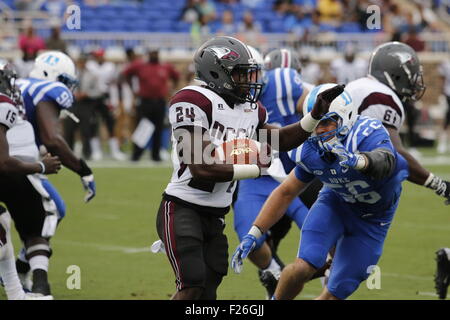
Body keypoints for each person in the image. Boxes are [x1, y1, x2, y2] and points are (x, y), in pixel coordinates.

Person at [155, 35, 344, 300]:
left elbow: (280, 140)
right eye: (241, 74)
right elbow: (201, 166)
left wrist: (313, 117)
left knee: (208, 291)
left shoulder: (249, 109)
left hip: (215, 214)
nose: (249, 81)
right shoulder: (192, 100)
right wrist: (255, 168)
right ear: (217, 73)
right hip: (182, 208)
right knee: (191, 285)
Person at [232, 83, 409, 300]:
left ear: (348, 116)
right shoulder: (308, 148)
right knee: (302, 267)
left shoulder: (366, 132)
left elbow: (386, 161)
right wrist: (254, 232)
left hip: (373, 221)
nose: (319, 129)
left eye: (327, 122)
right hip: (335, 204)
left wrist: (359, 161)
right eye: (316, 122)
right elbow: (286, 191)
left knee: (336, 292)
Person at [14, 51, 96, 297]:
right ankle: (30, 277)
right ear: (50, 74)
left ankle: (19, 269)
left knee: (51, 209)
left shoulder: (16, 82)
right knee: (51, 211)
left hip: (13, 157)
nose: (66, 88)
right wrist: (84, 170)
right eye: (64, 80)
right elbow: (54, 140)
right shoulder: (47, 89)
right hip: (16, 163)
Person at [233, 47, 311, 299]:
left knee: (325, 237)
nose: (251, 82)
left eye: (254, 74)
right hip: (257, 177)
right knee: (250, 240)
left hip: (298, 177)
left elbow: (315, 104)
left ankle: (331, 284)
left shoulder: (284, 81)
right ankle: (275, 274)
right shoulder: (220, 101)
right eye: (245, 75)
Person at [346, 42, 449, 206]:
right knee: (392, 174)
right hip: (338, 174)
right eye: (411, 76)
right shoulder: (381, 96)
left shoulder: (361, 85)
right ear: (396, 74)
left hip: (324, 165)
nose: (414, 82)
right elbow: (395, 154)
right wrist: (438, 184)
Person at [0, 61, 61, 300]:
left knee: (3, 224)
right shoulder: (3, 104)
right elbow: (3, 162)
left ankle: (17, 294)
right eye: (4, 79)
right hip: (13, 172)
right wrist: (41, 166)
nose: (10, 86)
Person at [121, 49, 180, 162]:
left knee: (158, 128)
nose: (154, 55)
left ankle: (156, 155)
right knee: (143, 127)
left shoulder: (165, 66)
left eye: (155, 53)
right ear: (148, 54)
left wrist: (171, 90)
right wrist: (133, 90)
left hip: (159, 101)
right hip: (145, 101)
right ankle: (136, 154)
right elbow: (126, 74)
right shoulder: (140, 66)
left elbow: (176, 76)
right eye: (152, 53)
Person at [85, 48, 126, 161]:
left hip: (105, 97)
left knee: (110, 124)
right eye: (97, 56)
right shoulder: (90, 65)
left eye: (100, 55)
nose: (99, 58)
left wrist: (114, 101)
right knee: (93, 124)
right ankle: (96, 151)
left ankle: (114, 150)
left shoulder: (110, 66)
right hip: (92, 97)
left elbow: (113, 85)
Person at [437, 56, 450, 154]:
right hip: (448, 93)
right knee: (447, 117)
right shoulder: (446, 63)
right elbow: (442, 79)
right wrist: (441, 92)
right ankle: (442, 142)